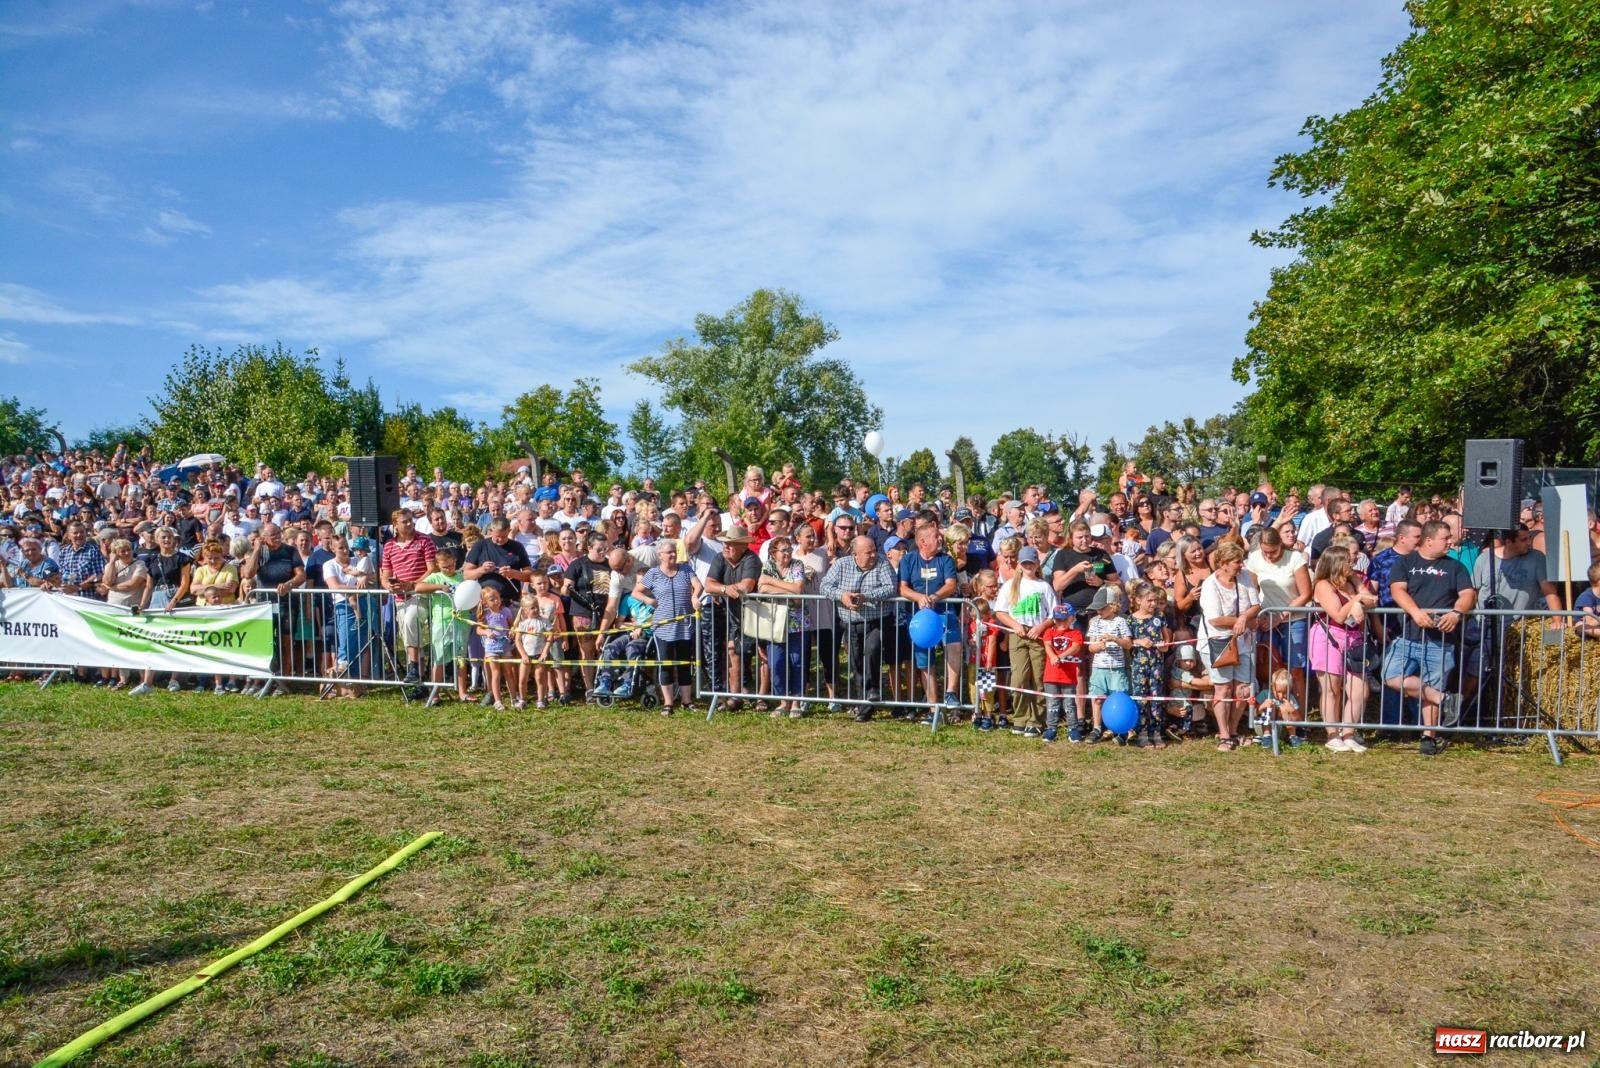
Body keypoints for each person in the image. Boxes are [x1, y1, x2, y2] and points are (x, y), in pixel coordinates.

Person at [1385, 520, 1476, 756]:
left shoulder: (1455, 567)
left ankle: (1429, 736)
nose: (1450, 542)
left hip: (1440, 639)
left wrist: (1457, 613)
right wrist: (1415, 612)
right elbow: (1397, 590)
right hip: (1407, 635)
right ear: (1428, 540)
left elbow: (1467, 594)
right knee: (1390, 676)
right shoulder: (1405, 562)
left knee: (1433, 682)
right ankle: (1445, 699)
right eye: (1445, 538)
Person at [820, 534, 898, 721]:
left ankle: (872, 691)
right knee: (856, 663)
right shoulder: (841, 565)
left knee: (871, 651)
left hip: (877, 621)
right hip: (851, 622)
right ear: (855, 554)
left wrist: (866, 596)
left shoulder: (882, 563)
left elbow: (890, 588)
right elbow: (824, 586)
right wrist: (842, 596)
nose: (873, 555)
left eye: (873, 551)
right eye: (868, 552)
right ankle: (865, 704)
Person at [1310, 544, 1377, 752]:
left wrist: (1356, 583)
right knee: (1332, 689)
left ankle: (1348, 732)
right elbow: (1338, 615)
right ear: (1337, 563)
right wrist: (1356, 600)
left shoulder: (1351, 582)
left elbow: (1373, 600)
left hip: (1353, 637)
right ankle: (1332, 733)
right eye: (1348, 560)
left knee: (1360, 690)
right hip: (1328, 637)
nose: (1353, 562)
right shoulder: (1323, 585)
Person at [1197, 540, 1261, 751]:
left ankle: (1233, 730)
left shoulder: (1244, 577)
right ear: (1223, 563)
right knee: (1223, 689)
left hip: (1244, 642)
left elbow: (1255, 605)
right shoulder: (1210, 584)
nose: (1240, 565)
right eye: (1236, 562)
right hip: (1219, 643)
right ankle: (1223, 734)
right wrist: (1242, 620)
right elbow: (1215, 619)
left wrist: (1244, 618)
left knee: (1243, 688)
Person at [898, 519, 962, 712]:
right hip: (919, 616)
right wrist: (918, 597)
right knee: (925, 660)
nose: (941, 538)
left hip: (944, 612)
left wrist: (934, 597)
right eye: (936, 536)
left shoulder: (946, 560)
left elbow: (951, 585)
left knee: (955, 646)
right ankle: (933, 708)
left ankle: (950, 693)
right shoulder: (908, 560)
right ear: (922, 542)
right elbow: (903, 589)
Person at [992, 545, 1055, 738]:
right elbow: (1000, 611)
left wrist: (1041, 627)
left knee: (1037, 679)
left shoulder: (1044, 586)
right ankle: (1020, 717)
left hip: (1037, 635)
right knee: (1019, 678)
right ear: (1019, 565)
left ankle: (1037, 719)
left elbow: (1053, 614)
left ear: (1037, 564)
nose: (1028, 566)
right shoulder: (1010, 585)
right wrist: (1014, 625)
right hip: (1017, 635)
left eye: (1032, 563)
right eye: (1025, 563)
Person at [633, 540, 701, 715]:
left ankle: (687, 701)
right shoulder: (653, 573)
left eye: (674, 552)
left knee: (685, 663)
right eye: (669, 552)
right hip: (663, 628)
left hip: (685, 626)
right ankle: (668, 703)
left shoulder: (685, 569)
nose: (672, 555)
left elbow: (698, 585)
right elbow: (636, 591)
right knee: (666, 664)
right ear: (660, 555)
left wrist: (695, 597)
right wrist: (649, 600)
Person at [702, 524, 761, 706]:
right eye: (725, 543)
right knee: (731, 650)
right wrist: (725, 589)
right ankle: (734, 696)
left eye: (731, 543)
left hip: (753, 614)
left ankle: (759, 697)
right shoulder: (720, 558)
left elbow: (746, 586)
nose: (726, 546)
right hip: (728, 613)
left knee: (760, 654)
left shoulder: (752, 559)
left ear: (743, 546)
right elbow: (708, 585)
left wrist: (721, 590)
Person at [379, 508, 436, 686]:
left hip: (420, 593)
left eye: (411, 520)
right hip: (400, 597)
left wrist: (413, 585)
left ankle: (413, 666)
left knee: (411, 620)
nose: (410, 524)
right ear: (395, 524)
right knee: (408, 635)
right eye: (405, 521)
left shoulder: (424, 540)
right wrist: (388, 585)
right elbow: (385, 574)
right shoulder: (389, 546)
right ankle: (419, 677)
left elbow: (432, 568)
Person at [758, 535, 809, 718]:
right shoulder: (767, 566)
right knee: (776, 663)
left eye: (789, 549)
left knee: (797, 662)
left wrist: (771, 583)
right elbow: (761, 589)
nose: (788, 553)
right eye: (783, 550)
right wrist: (787, 587)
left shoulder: (797, 565)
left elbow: (798, 590)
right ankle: (783, 702)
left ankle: (796, 702)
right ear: (773, 553)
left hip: (797, 623)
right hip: (774, 623)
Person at [414, 545, 468, 705]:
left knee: (461, 658)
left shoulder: (462, 577)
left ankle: (462, 692)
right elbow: (418, 587)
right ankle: (435, 693)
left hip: (461, 621)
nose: (449, 569)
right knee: (438, 658)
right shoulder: (436, 577)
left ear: (455, 561)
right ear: (438, 565)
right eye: (445, 567)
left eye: (451, 565)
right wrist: (440, 587)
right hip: (441, 623)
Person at [1084, 586, 1132, 742]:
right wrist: (1099, 646)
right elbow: (1090, 647)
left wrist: (1114, 639)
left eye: (1102, 608)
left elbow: (1128, 644)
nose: (1099, 611)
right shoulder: (1095, 623)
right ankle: (1097, 727)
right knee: (1097, 698)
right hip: (1099, 667)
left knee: (1118, 697)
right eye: (1096, 608)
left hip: (1117, 668)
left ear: (1113, 606)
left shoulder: (1121, 622)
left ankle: (1120, 729)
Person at [1126, 581, 1170, 749]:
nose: (1153, 604)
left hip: (1156, 664)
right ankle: (1142, 733)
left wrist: (1164, 645)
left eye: (1154, 601)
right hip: (1139, 665)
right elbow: (1128, 642)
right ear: (1138, 600)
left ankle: (1156, 732)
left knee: (1156, 697)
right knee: (1141, 698)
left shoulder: (1159, 617)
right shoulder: (1131, 620)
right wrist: (1139, 642)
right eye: (1149, 601)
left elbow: (1166, 637)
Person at [1037, 602, 1084, 743]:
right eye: (1058, 619)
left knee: (1069, 703)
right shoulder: (1049, 632)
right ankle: (1051, 728)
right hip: (1051, 676)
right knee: (1052, 703)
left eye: (1064, 619)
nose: (1061, 622)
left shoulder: (1075, 633)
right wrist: (1052, 656)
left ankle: (1073, 729)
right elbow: (1047, 644)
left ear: (1072, 618)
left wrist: (1062, 656)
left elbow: (1076, 647)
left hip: (1068, 677)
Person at [476, 585, 515, 711]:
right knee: (496, 673)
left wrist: (512, 632)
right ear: (485, 602)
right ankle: (497, 700)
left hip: (505, 645)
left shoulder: (506, 611)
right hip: (492, 647)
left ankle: (514, 698)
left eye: (497, 598)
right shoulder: (485, 615)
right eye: (492, 599)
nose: (496, 601)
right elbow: (478, 629)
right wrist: (487, 632)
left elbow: (511, 626)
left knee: (509, 672)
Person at [1255, 668, 1306, 748]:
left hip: (1282, 731)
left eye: (1285, 692)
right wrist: (1262, 706)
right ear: (1272, 687)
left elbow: (1299, 721)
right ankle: (1267, 736)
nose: (1281, 696)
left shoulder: (1290, 698)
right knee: (1270, 705)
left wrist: (1293, 711)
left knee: (1284, 708)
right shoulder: (1265, 694)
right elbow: (1254, 713)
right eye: (1278, 692)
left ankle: (1293, 737)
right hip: (1261, 728)